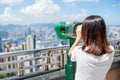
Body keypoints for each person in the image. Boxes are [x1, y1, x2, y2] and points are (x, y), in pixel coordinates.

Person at [68, 15, 115, 80]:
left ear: (86, 32)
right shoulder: (111, 50)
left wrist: (78, 38)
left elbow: (70, 53)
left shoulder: (80, 52)